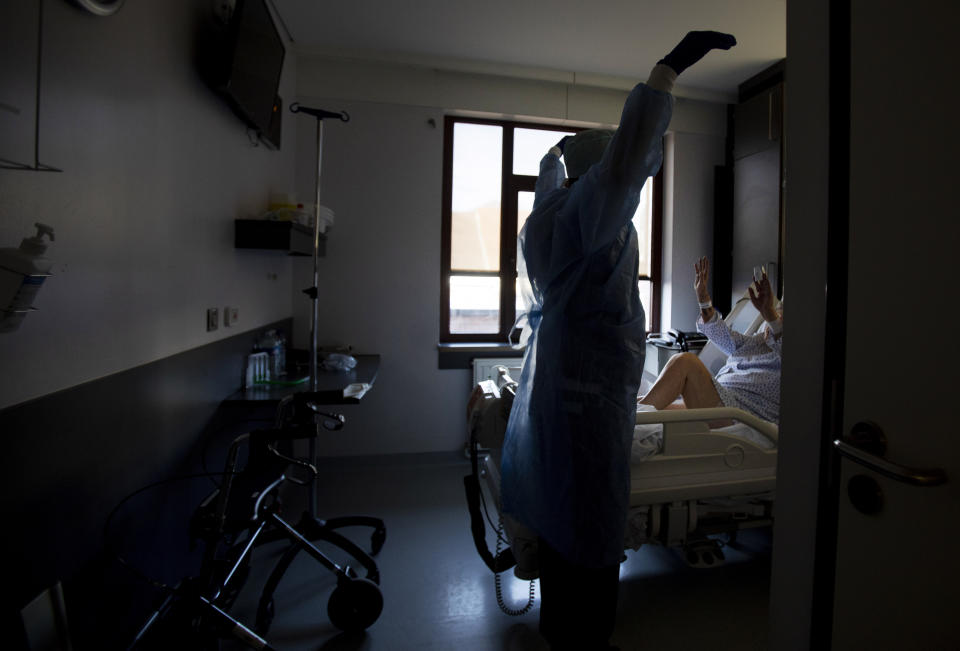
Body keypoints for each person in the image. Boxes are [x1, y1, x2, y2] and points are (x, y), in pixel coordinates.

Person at [500, 32, 737, 651]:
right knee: (592, 509)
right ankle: (585, 634)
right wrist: (669, 69)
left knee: (560, 505)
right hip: (590, 388)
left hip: (554, 379)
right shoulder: (595, 209)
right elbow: (627, 161)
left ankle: (561, 624)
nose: (633, 185)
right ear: (601, 172)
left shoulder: (547, 213)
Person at [638, 256, 782, 424]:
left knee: (686, 363)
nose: (774, 319)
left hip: (740, 415)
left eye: (779, 317)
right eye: (776, 314)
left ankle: (628, 424)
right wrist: (703, 299)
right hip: (720, 401)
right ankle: (627, 419)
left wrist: (770, 314)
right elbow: (721, 335)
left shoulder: (795, 360)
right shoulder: (756, 343)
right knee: (645, 404)